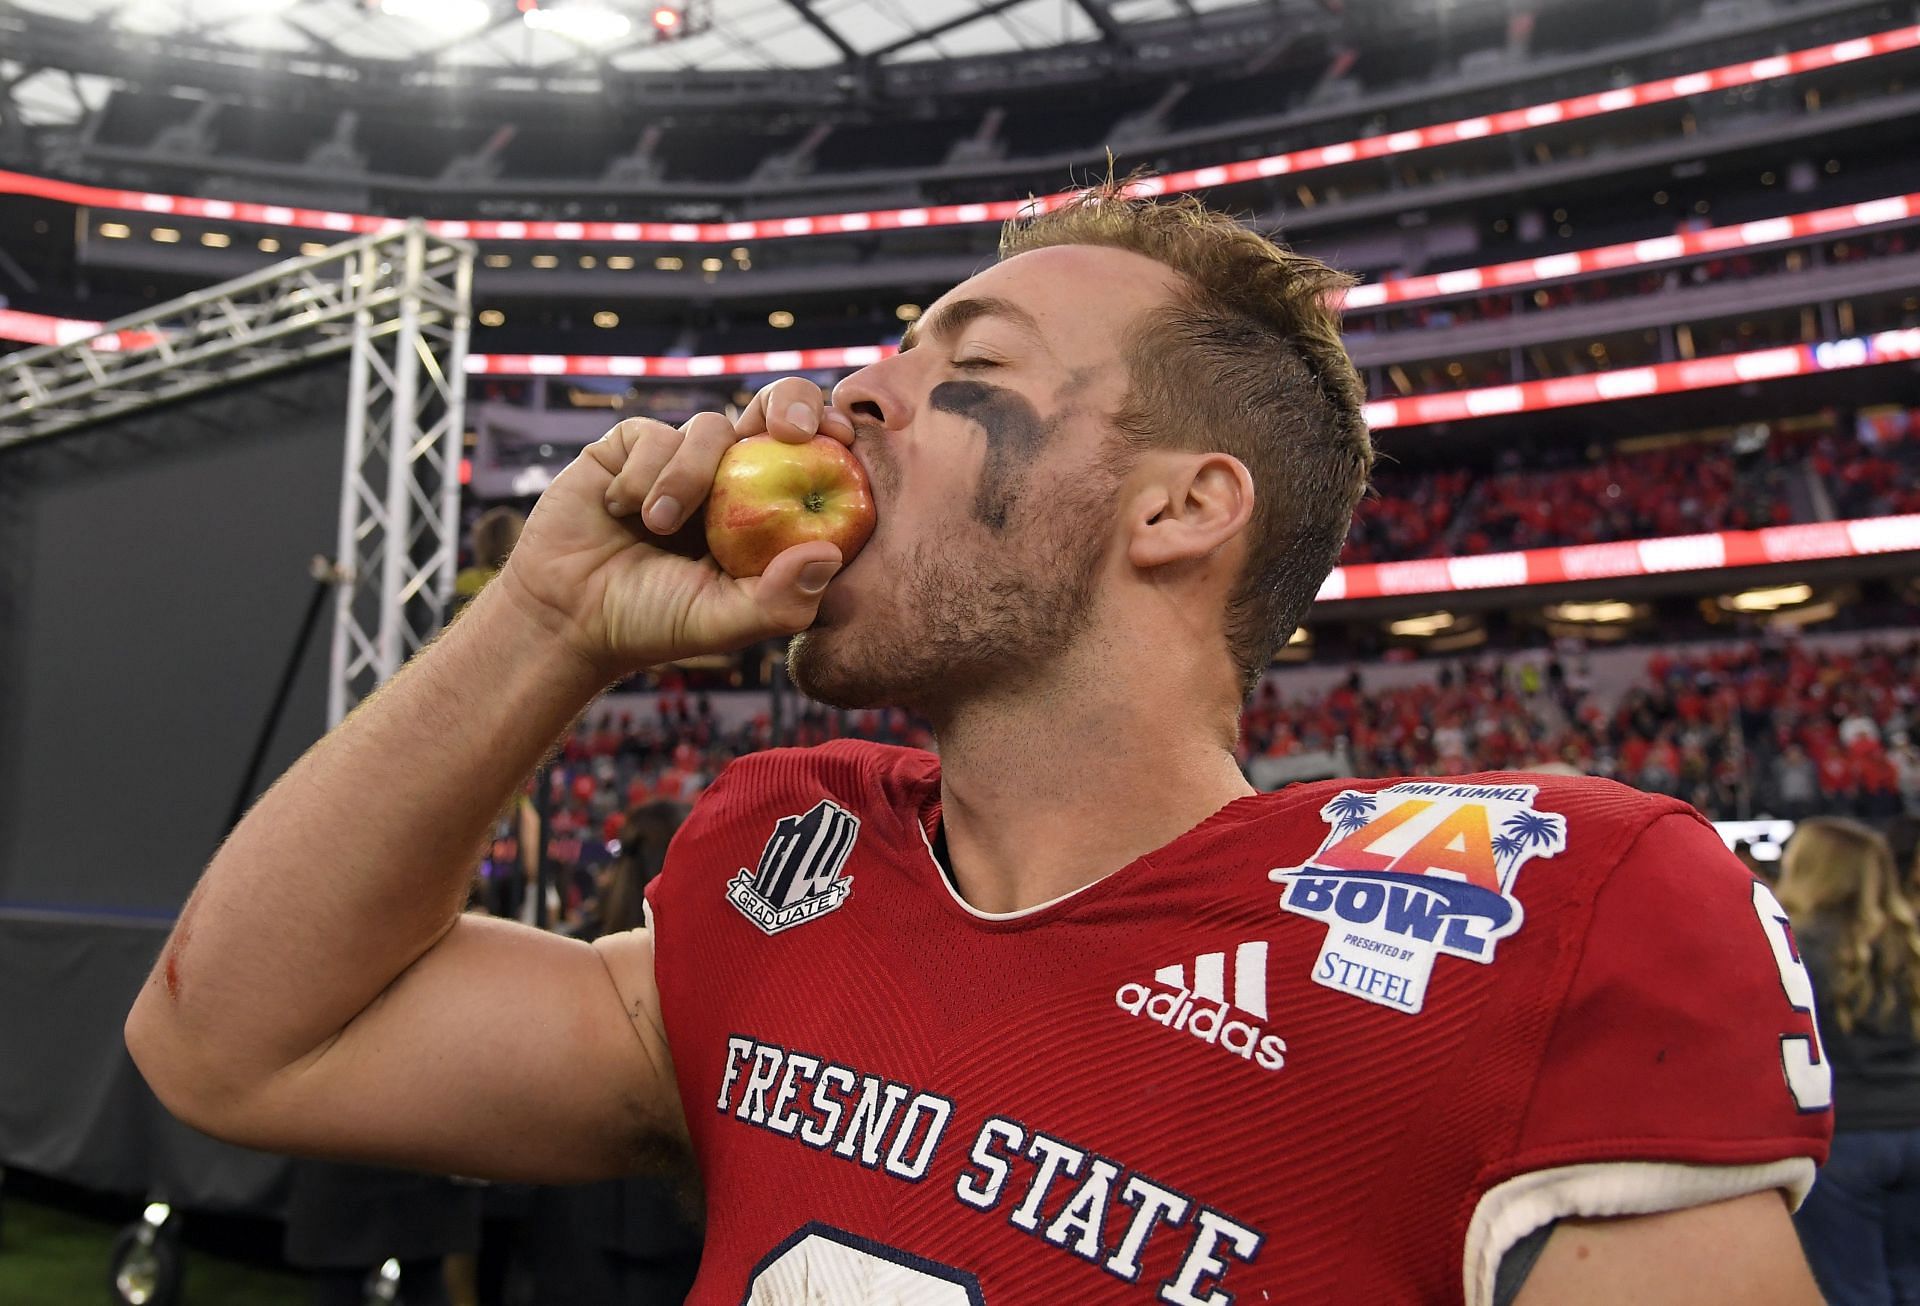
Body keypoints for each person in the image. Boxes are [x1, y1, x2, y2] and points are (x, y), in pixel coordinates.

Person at [125, 175, 1830, 1305]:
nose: (852, 396)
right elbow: (232, 1046)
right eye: (891, 349)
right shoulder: (787, 877)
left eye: (968, 360)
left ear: (1179, 505)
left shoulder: (1527, 923)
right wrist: (545, 621)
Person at [1776, 818, 1920, 1304]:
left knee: (1855, 1292)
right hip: (1913, 1125)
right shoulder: (1908, 940)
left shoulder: (1794, 946)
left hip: (1846, 1139)